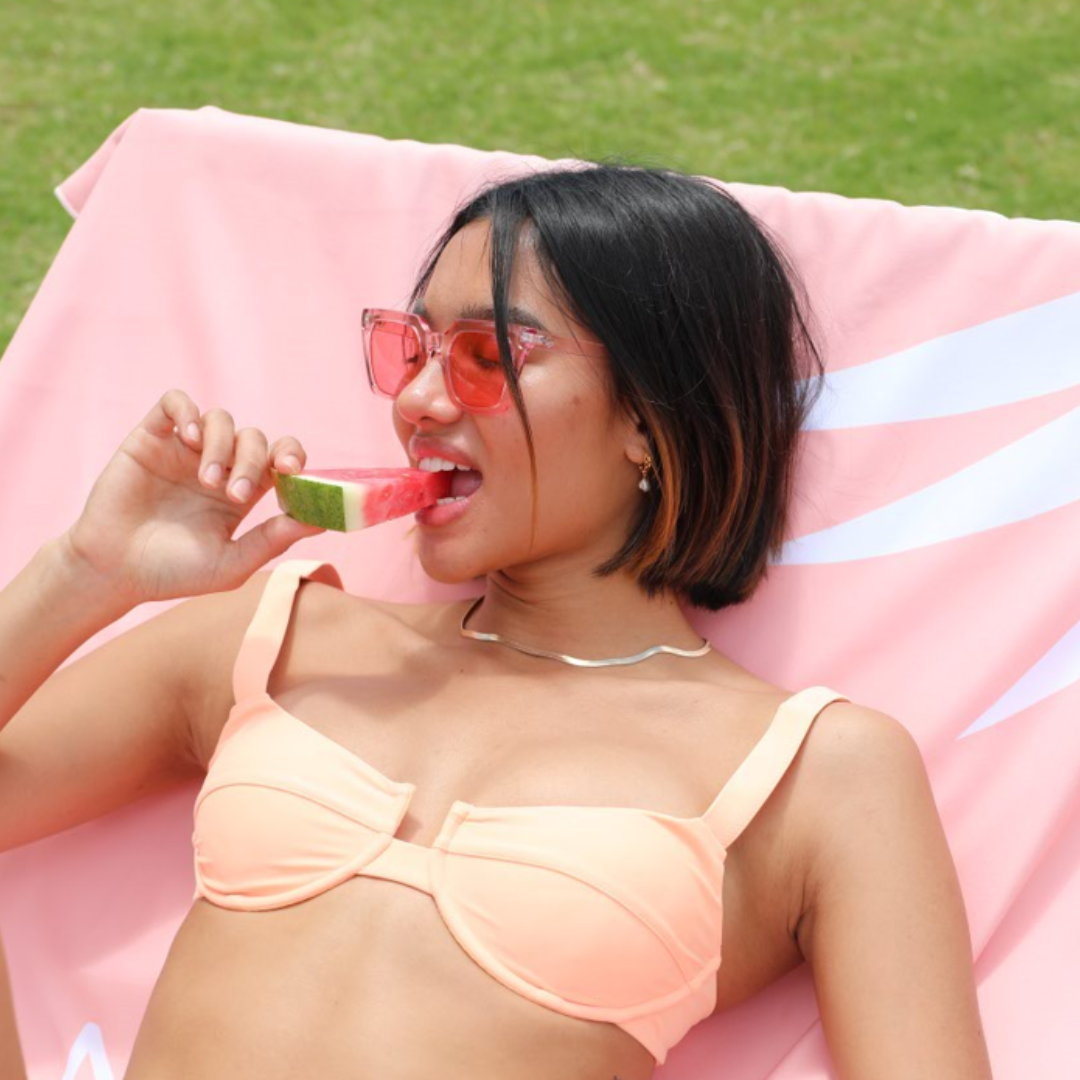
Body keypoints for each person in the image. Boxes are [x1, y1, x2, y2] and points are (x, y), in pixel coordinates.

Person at [0, 162, 992, 1079]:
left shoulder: (822, 772)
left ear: (649, 417)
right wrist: (84, 574)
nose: (420, 401)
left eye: (484, 355)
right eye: (413, 348)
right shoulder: (277, 639)